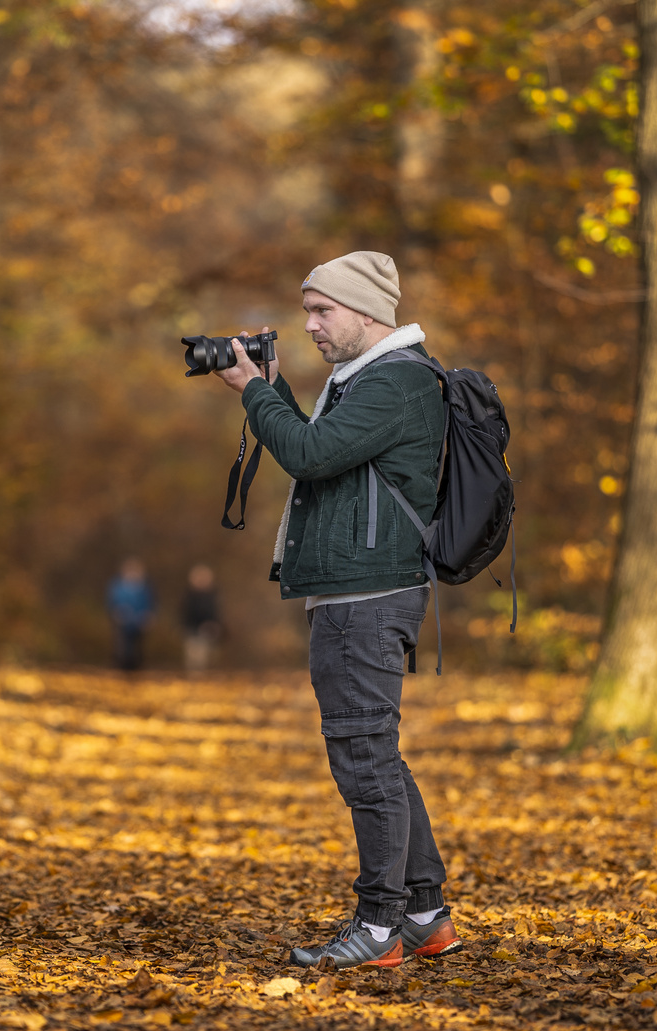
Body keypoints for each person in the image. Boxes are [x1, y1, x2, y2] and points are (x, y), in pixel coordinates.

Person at [214, 250, 462, 969]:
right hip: (354, 590)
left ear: (365, 312)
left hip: (368, 596)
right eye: (308, 311)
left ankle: (379, 928)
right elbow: (319, 449)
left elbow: (310, 455)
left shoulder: (399, 380)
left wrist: (255, 392)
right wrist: (269, 389)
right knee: (376, 753)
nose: (311, 326)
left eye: (322, 311)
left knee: (362, 759)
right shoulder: (365, 380)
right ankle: (424, 916)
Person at [105, 558, 155, 672]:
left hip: (138, 624)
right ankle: (119, 671)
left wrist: (148, 616)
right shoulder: (117, 587)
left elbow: (150, 604)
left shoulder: (145, 588)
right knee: (121, 650)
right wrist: (117, 612)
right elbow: (111, 603)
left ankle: (137, 672)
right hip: (122, 624)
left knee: (138, 651)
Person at [180, 564, 223, 673]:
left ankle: (205, 677)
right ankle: (195, 678)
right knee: (194, 658)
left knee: (207, 657)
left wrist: (215, 624)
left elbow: (216, 612)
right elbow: (185, 614)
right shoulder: (189, 595)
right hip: (192, 630)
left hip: (209, 630)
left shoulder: (212, 595)